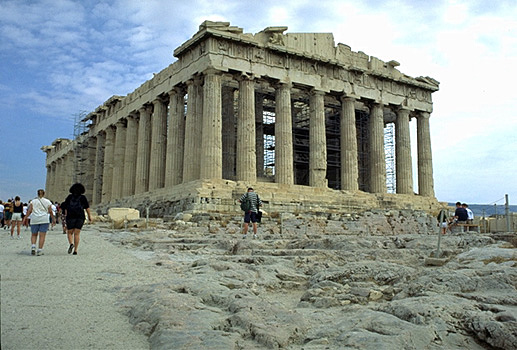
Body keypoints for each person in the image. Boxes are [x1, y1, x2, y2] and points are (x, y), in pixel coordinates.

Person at [62, 183, 91, 255]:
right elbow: (87, 207)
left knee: (69, 232)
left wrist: (65, 215)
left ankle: (71, 243)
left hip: (71, 216)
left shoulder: (69, 197)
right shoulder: (83, 197)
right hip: (80, 216)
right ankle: (76, 250)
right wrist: (90, 216)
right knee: (77, 234)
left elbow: (65, 207)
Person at [23, 189, 55, 256]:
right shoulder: (47, 201)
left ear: (37, 194)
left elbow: (30, 210)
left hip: (34, 219)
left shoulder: (33, 201)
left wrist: (25, 218)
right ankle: (40, 250)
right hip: (44, 219)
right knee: (42, 236)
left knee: (34, 234)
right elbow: (50, 211)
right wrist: (53, 219)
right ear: (44, 194)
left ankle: (33, 247)